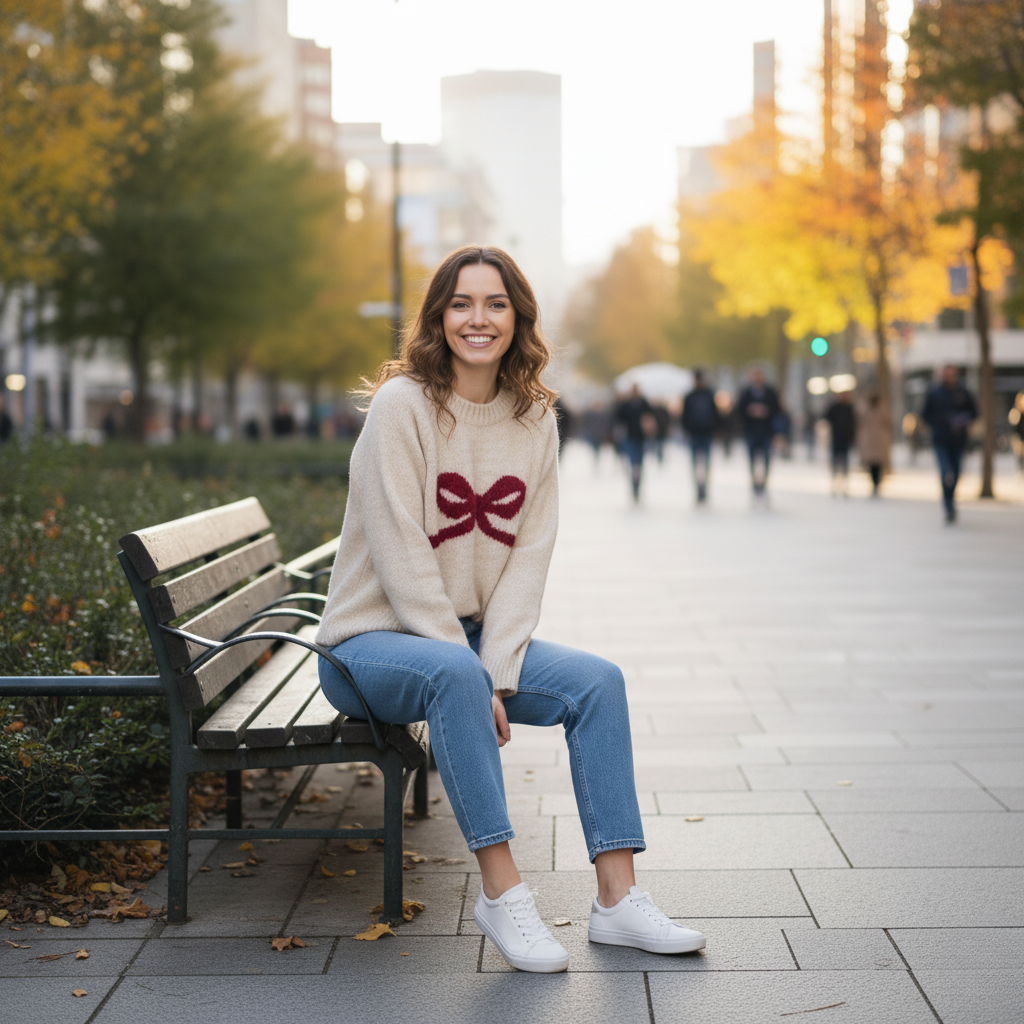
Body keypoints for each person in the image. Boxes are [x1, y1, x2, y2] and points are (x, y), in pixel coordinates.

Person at [315, 246, 705, 974]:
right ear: (438, 317)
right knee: (454, 678)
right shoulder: (404, 407)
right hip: (366, 645)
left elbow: (530, 558)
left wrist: (494, 668)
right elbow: (401, 557)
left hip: (459, 644)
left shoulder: (535, 420)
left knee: (598, 683)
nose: (478, 319)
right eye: (461, 303)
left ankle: (618, 902)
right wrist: (471, 672)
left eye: (495, 304)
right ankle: (503, 893)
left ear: (518, 318)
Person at [921, 364, 977, 523]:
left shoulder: (963, 392)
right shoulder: (934, 392)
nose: (949, 377)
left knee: (957, 473)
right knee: (946, 472)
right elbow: (925, 414)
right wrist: (939, 423)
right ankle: (947, 505)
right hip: (940, 440)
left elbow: (974, 412)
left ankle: (951, 501)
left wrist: (962, 420)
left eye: (952, 374)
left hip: (958, 440)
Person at [736, 367, 781, 502]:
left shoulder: (770, 392)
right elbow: (739, 410)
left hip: (766, 431)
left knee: (766, 461)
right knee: (752, 461)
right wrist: (750, 412)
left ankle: (764, 486)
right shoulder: (746, 393)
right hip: (751, 431)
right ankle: (754, 486)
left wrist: (765, 411)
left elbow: (777, 409)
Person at [681, 370, 720, 503]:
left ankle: (705, 488)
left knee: (706, 463)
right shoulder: (689, 396)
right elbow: (684, 415)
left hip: (707, 433)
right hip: (694, 433)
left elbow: (715, 413)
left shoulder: (709, 394)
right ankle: (698, 489)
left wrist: (716, 428)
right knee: (695, 464)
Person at [614, 383, 654, 502]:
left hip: (641, 437)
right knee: (633, 463)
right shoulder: (626, 404)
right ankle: (634, 487)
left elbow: (651, 416)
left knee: (639, 464)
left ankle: (638, 486)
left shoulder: (644, 403)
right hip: (630, 437)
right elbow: (619, 418)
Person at [824, 390, 857, 496]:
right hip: (836, 438)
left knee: (845, 464)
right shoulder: (835, 407)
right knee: (835, 463)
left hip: (846, 439)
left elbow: (854, 424)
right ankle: (834, 484)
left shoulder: (850, 408)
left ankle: (844, 486)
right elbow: (826, 417)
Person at [858, 392, 891, 497]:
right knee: (872, 464)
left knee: (878, 464)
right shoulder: (864, 409)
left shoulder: (882, 409)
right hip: (870, 440)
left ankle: (877, 484)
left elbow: (889, 422)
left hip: (879, 440)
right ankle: (874, 483)